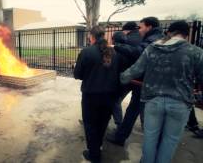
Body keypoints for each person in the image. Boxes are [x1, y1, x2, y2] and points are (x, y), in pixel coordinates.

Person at [120, 20, 203, 163]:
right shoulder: (196, 52)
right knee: (170, 141)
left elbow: (136, 70)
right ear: (186, 35)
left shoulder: (152, 48)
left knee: (150, 138)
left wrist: (121, 77)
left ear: (170, 32)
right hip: (180, 103)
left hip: (153, 101)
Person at [107, 18, 163, 146]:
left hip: (142, 81)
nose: (140, 30)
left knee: (131, 108)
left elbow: (138, 53)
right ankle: (124, 135)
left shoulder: (151, 40)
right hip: (146, 81)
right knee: (139, 110)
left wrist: (115, 46)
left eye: (142, 27)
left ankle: (122, 136)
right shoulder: (155, 38)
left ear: (149, 27)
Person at [74, 26, 126, 163]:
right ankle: (98, 147)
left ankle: (94, 155)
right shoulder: (115, 53)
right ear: (104, 36)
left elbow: (77, 75)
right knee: (102, 124)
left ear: (91, 36)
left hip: (91, 96)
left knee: (90, 125)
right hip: (110, 96)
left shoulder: (86, 52)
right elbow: (119, 74)